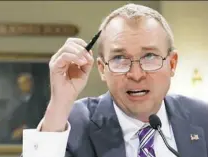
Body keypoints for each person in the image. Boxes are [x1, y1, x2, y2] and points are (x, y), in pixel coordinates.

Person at [22, 3, 208, 157]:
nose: (136, 74)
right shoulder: (75, 122)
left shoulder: (202, 117)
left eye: (150, 56)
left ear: (172, 64)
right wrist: (60, 102)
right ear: (102, 69)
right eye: (120, 59)